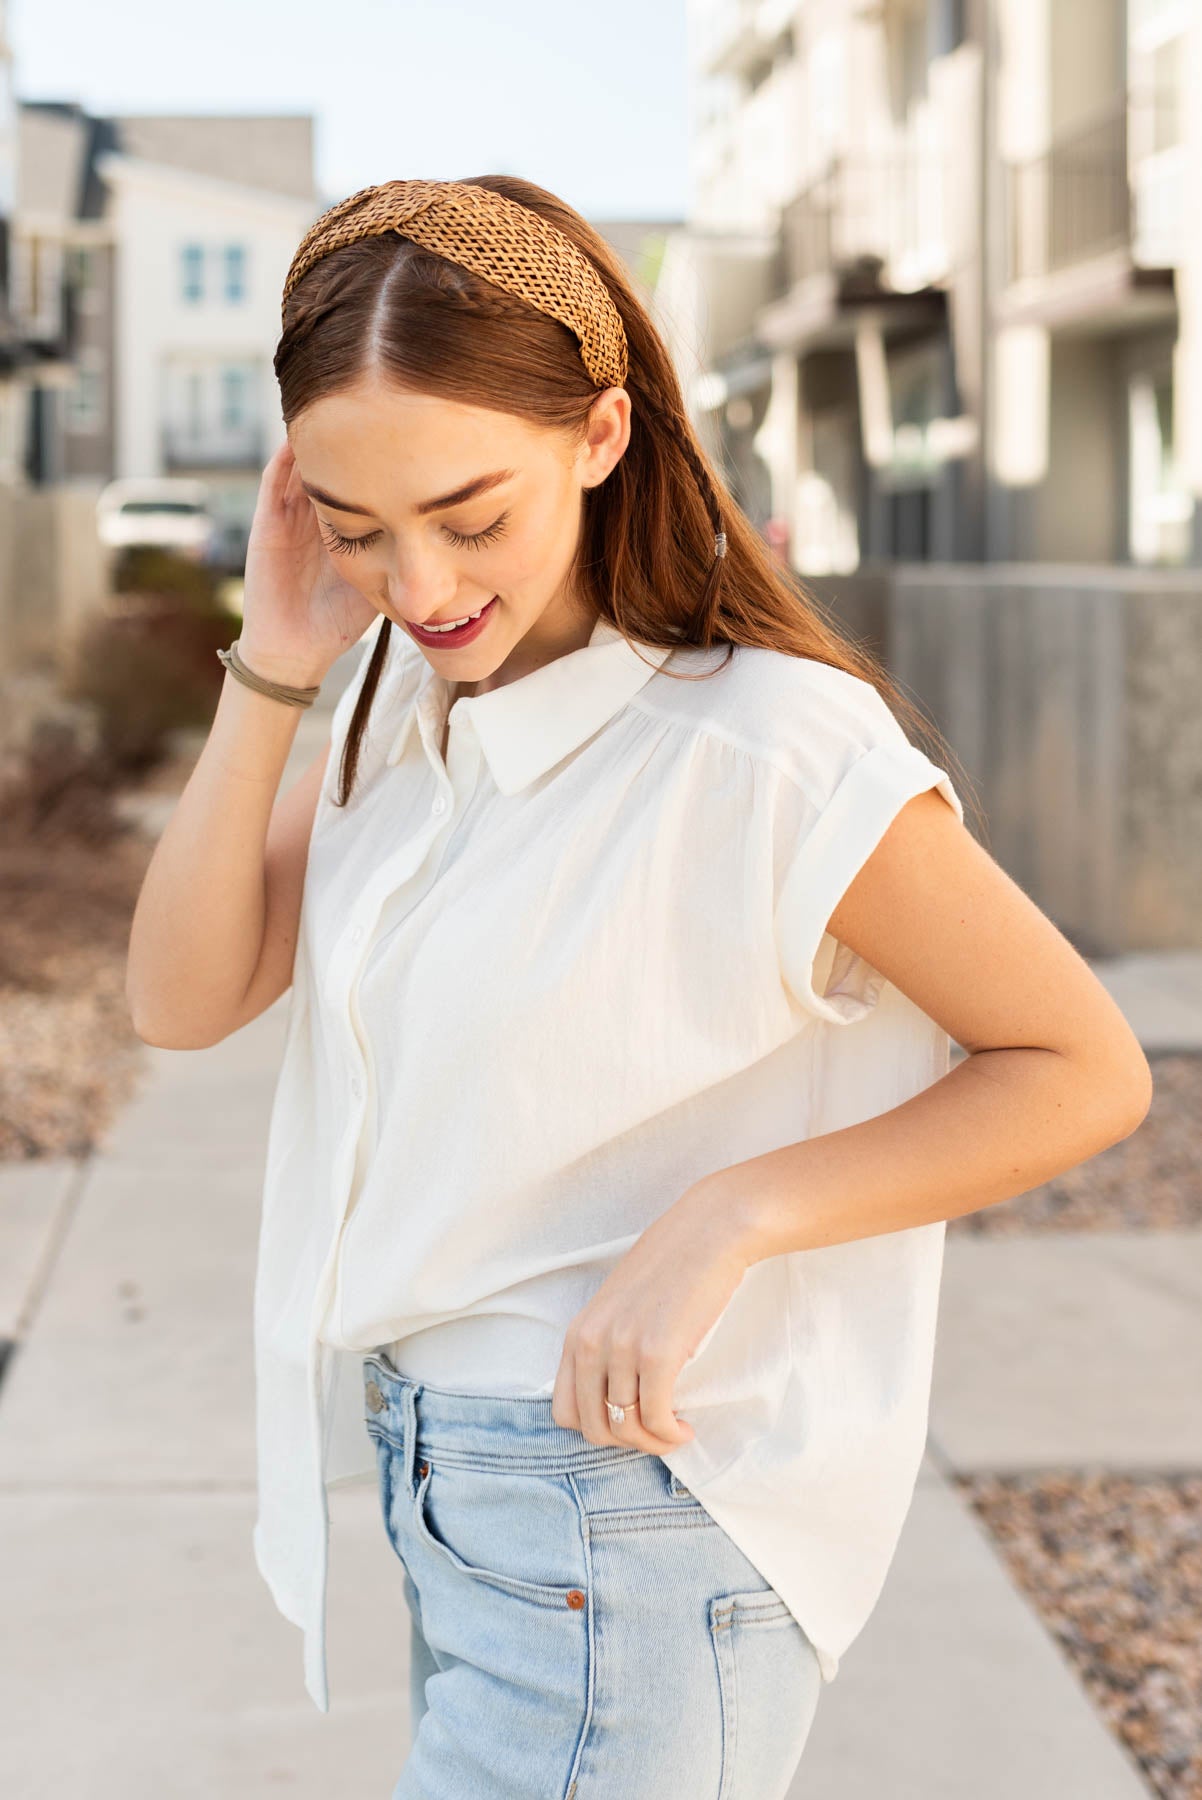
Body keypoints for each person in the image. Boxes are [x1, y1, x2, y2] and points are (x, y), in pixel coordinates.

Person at [125, 175, 1154, 1798]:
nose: (420, 585)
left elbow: (1081, 1063)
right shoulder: (414, 703)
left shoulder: (767, 746)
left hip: (627, 1521)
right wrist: (277, 661)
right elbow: (183, 998)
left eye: (471, 516)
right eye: (358, 527)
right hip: (454, 1490)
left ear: (603, 436)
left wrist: (726, 1216)